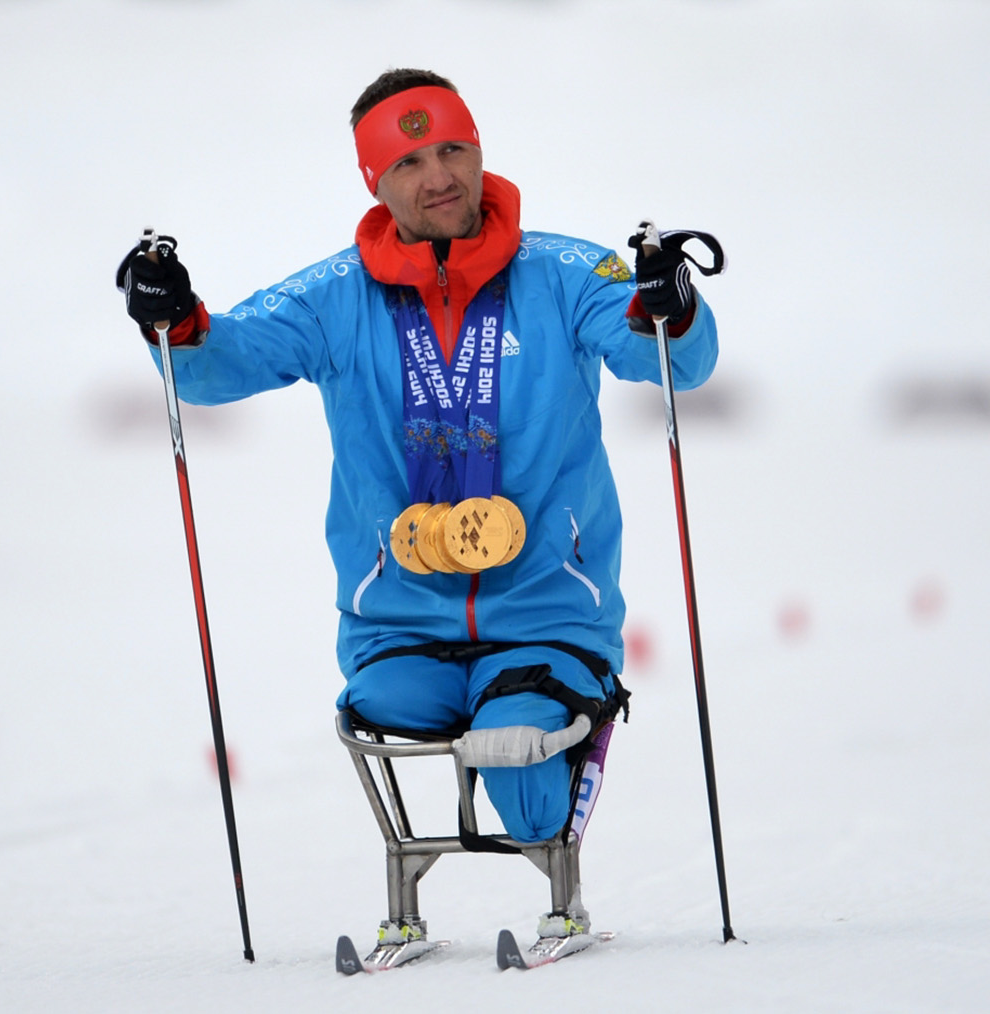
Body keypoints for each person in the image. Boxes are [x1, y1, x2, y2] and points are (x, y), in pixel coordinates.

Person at [117, 68, 717, 941]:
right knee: (387, 715)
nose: (440, 176)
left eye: (454, 150)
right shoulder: (333, 295)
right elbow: (218, 364)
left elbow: (674, 363)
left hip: (547, 611)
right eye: (410, 163)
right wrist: (176, 321)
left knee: (515, 757)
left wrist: (672, 306)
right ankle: (406, 903)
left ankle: (559, 836)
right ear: (375, 181)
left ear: (478, 151)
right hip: (397, 619)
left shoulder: (567, 270)